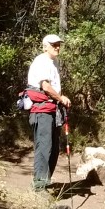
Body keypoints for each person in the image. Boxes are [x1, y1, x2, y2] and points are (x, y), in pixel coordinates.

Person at [26, 34, 71, 190]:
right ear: (45, 47)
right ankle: (39, 187)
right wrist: (61, 98)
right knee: (44, 147)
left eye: (58, 44)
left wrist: (61, 98)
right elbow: (45, 86)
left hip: (52, 109)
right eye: (53, 44)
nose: (57, 47)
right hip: (42, 110)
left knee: (54, 148)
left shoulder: (54, 62)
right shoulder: (41, 61)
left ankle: (46, 183)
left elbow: (54, 87)